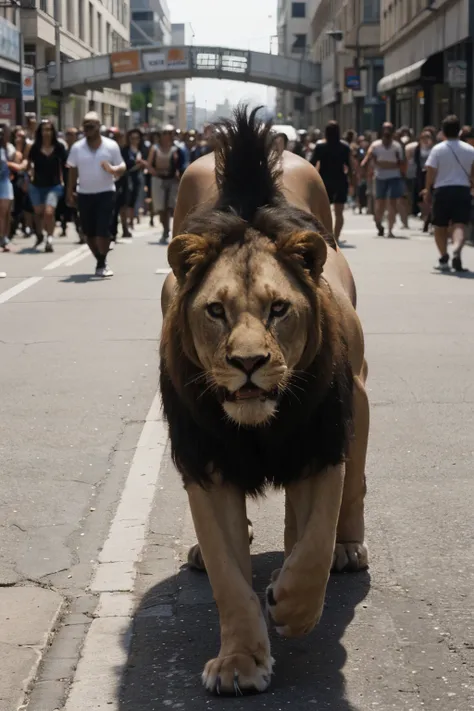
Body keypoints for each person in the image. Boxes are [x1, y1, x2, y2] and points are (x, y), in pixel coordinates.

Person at [66, 111, 126, 278]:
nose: (87, 129)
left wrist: (114, 169)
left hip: (106, 192)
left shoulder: (111, 146)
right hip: (84, 194)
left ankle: (102, 261)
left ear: (99, 126)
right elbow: (72, 170)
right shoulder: (77, 147)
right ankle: (99, 258)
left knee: (103, 230)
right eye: (85, 126)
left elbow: (122, 166)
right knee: (88, 233)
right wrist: (69, 192)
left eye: (91, 125)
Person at [423, 114, 474, 272]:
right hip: (462, 189)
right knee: (460, 224)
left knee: (440, 225)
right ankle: (456, 249)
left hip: (442, 190)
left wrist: (427, 189)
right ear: (459, 131)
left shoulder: (438, 149)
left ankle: (444, 256)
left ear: (443, 131)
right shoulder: (470, 149)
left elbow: (431, 171)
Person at [25, 120, 67, 252]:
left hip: (54, 186)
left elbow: (65, 166)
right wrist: (28, 177)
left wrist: (65, 181)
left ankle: (49, 238)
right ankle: (40, 235)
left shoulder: (59, 147)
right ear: (40, 132)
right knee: (38, 213)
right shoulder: (35, 147)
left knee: (49, 212)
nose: (46, 132)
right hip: (36, 185)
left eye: (49, 129)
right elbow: (28, 164)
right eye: (44, 130)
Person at [361, 122, 406, 238]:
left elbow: (400, 163)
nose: (387, 132)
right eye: (385, 130)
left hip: (394, 177)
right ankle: (378, 223)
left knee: (392, 204)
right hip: (380, 177)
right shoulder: (376, 145)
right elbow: (368, 158)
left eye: (389, 130)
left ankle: (390, 230)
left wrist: (382, 164)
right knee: (379, 204)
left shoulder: (397, 147)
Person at [310, 120, 352, 242]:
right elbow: (349, 166)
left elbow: (312, 163)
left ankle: (327, 236)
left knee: (323, 212)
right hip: (340, 180)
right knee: (339, 212)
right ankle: (336, 237)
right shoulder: (344, 147)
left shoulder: (320, 147)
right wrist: (352, 181)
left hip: (324, 181)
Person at [148, 125, 185, 245]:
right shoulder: (155, 148)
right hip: (158, 179)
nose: (168, 135)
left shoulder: (177, 149)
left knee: (170, 206)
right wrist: (154, 172)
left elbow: (182, 164)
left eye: (170, 133)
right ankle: (165, 228)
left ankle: (167, 231)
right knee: (160, 208)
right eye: (166, 133)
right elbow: (149, 164)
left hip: (172, 179)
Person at [0, 125, 15, 252]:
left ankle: (4, 238)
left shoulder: (9, 148)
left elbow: (14, 160)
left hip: (5, 182)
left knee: (6, 212)